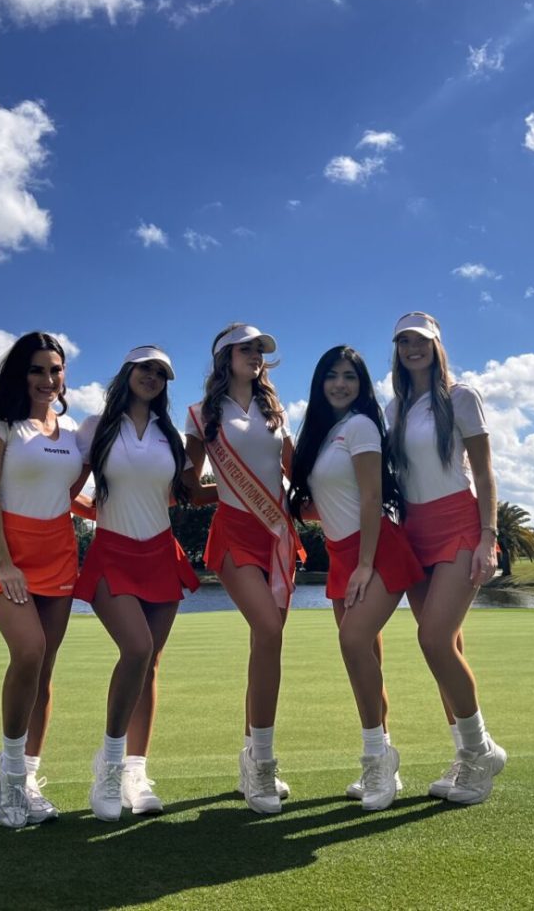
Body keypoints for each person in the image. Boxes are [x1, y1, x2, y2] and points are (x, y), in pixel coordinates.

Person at [289, 346, 423, 811]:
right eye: (332, 376)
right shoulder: (324, 434)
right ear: (320, 383)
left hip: (376, 550)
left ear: (362, 384)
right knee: (363, 655)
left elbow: (371, 499)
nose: (340, 384)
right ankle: (384, 760)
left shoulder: (362, 426)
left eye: (349, 376)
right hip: (344, 554)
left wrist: (365, 564)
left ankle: (376, 759)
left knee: (352, 643)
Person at [72, 346, 199, 822]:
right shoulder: (96, 426)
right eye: (146, 369)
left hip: (161, 554)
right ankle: (108, 764)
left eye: (162, 373)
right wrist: (96, 513)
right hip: (112, 553)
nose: (153, 378)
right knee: (137, 648)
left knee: (150, 665)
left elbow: (191, 492)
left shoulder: (170, 436)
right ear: (127, 372)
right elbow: (70, 491)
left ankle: (135, 773)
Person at [387, 311, 506, 805]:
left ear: (437, 345)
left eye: (421, 340)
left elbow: (484, 470)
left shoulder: (461, 397)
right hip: (414, 531)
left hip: (459, 525)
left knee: (433, 639)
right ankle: (468, 753)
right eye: (404, 341)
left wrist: (488, 537)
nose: (412, 348)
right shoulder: (394, 408)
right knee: (446, 650)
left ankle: (481, 752)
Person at [184, 323, 303, 815]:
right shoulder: (202, 415)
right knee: (269, 629)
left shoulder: (276, 411)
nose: (255, 356)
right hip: (233, 534)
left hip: (277, 536)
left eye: (259, 350)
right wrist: (235, 498)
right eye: (246, 349)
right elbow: (191, 489)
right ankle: (263, 765)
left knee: (265, 642)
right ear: (224, 357)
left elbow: (298, 475)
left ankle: (250, 756)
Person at [0, 332, 86, 828]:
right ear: (22, 373)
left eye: (55, 370)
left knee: (46, 668)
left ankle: (31, 776)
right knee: (28, 651)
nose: (48, 379)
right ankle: (11, 769)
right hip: (10, 556)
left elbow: (68, 495)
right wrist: (4, 562)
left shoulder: (72, 432)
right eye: (38, 369)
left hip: (60, 553)